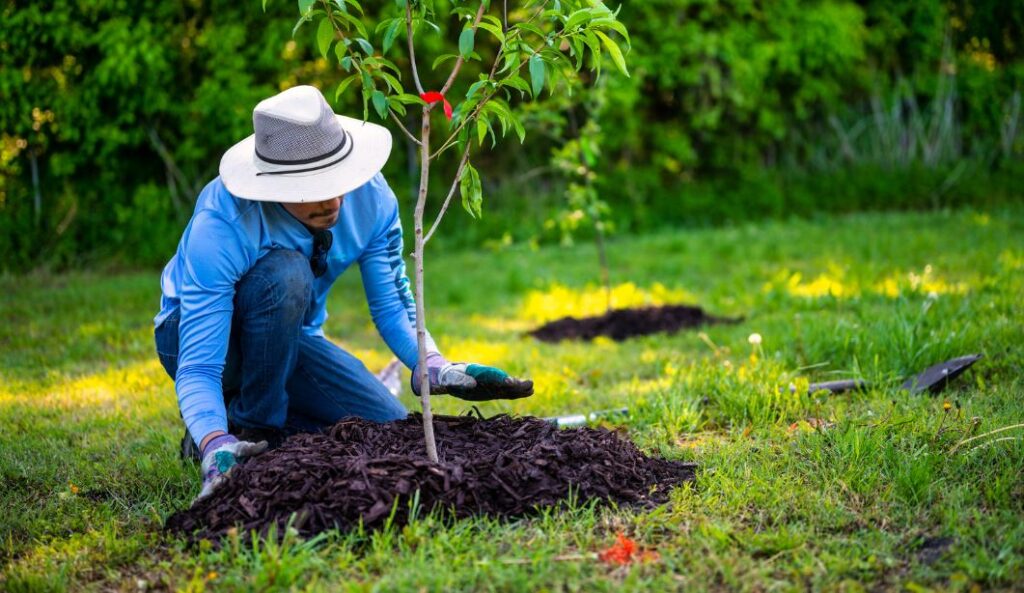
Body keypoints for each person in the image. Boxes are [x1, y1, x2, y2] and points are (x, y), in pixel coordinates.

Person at [154, 85, 532, 500]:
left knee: (385, 425)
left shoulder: (371, 199)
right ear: (273, 185)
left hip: (291, 340)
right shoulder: (225, 222)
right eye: (311, 186)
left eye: (338, 179)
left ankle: (244, 420)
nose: (333, 199)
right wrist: (213, 441)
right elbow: (199, 365)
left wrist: (433, 365)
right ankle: (242, 431)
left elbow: (392, 303)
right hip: (197, 340)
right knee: (287, 272)